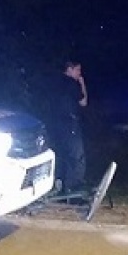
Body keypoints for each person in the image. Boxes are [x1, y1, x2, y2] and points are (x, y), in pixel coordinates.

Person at [51, 59, 88, 195]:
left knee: (62, 154)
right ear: (69, 69)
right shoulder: (71, 83)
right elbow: (83, 102)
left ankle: (61, 186)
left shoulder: (55, 82)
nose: (79, 73)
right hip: (70, 123)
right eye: (77, 70)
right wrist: (82, 83)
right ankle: (74, 189)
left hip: (57, 124)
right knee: (76, 155)